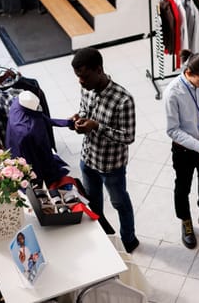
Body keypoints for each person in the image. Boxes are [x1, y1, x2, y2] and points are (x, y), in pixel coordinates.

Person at [70, 47, 139, 254]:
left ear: (99, 70)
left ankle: (129, 239)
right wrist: (78, 120)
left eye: (84, 76)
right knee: (93, 203)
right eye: (78, 77)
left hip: (111, 166)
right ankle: (103, 238)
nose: (81, 82)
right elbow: (84, 110)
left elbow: (128, 136)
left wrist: (96, 127)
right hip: (88, 159)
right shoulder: (86, 88)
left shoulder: (123, 99)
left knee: (120, 203)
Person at [164, 49, 199, 249]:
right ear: (188, 73)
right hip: (185, 150)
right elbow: (172, 130)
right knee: (183, 186)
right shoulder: (172, 93)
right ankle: (185, 221)